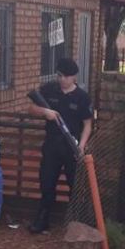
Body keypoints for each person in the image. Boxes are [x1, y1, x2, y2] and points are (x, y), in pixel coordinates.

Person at [27, 57, 93, 234]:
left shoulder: (82, 97)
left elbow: (87, 124)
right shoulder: (49, 89)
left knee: (75, 185)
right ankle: (42, 219)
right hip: (52, 145)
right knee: (47, 182)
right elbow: (31, 109)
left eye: (65, 76)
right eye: (59, 75)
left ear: (74, 77)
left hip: (72, 147)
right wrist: (45, 111)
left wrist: (81, 146)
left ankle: (75, 222)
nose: (61, 79)